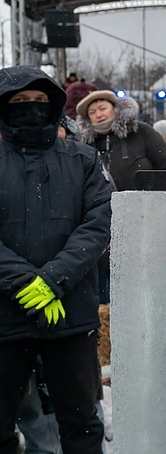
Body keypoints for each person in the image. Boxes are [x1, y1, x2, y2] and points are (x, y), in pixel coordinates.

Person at [0, 65, 112, 454]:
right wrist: (22, 281)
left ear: (53, 106)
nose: (30, 108)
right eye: (18, 102)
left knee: (81, 422)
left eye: (38, 101)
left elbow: (98, 222)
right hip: (5, 317)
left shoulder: (82, 159)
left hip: (68, 316)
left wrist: (53, 281)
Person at [76, 90, 166, 190]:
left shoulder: (141, 131)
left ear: (115, 109)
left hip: (146, 202)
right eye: (92, 112)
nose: (98, 115)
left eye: (103, 109)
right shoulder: (85, 145)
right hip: (104, 204)